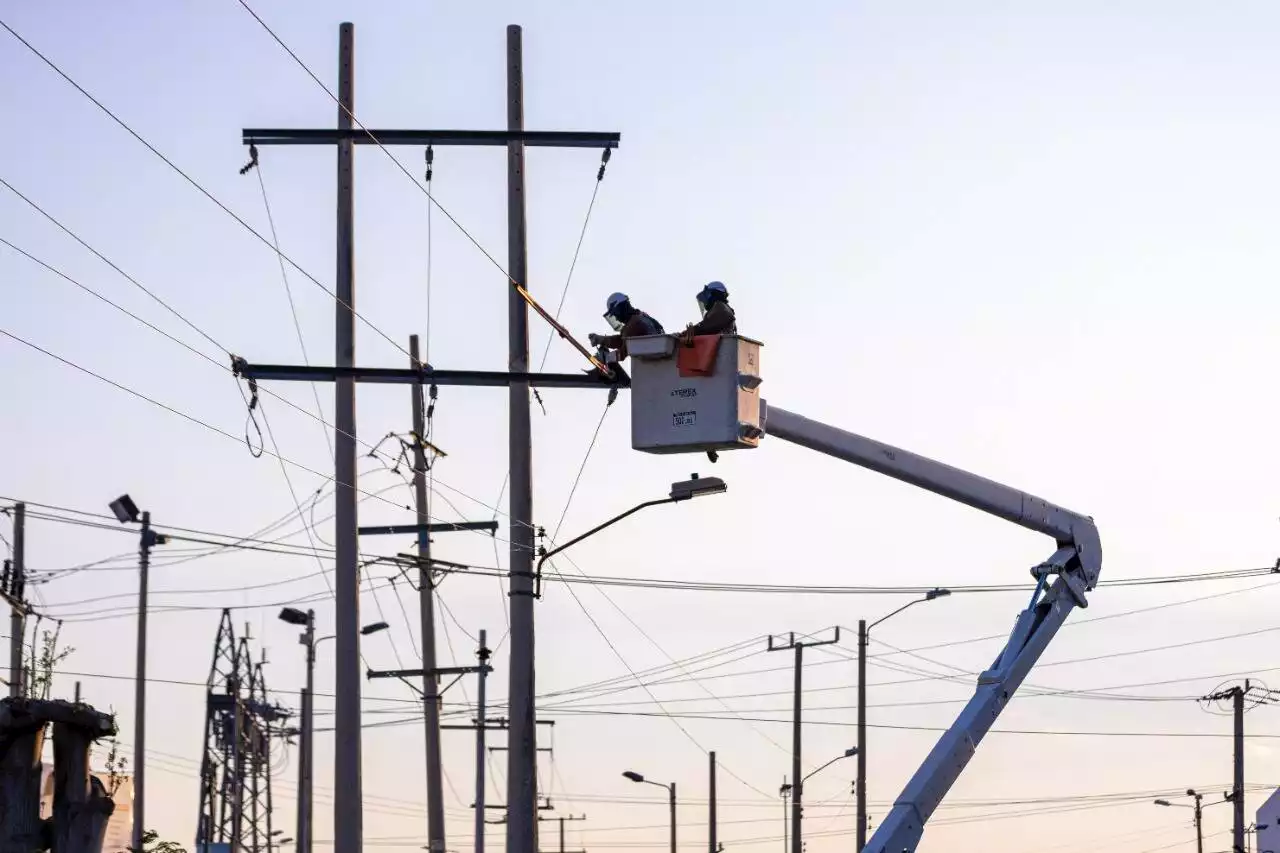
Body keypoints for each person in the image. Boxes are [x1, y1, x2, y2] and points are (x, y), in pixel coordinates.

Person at [587, 292, 665, 360]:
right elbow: (622, 340)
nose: (617, 319)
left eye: (615, 314)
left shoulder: (634, 324)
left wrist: (606, 358)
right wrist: (602, 339)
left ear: (621, 308)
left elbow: (623, 352)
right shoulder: (640, 317)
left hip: (650, 366)